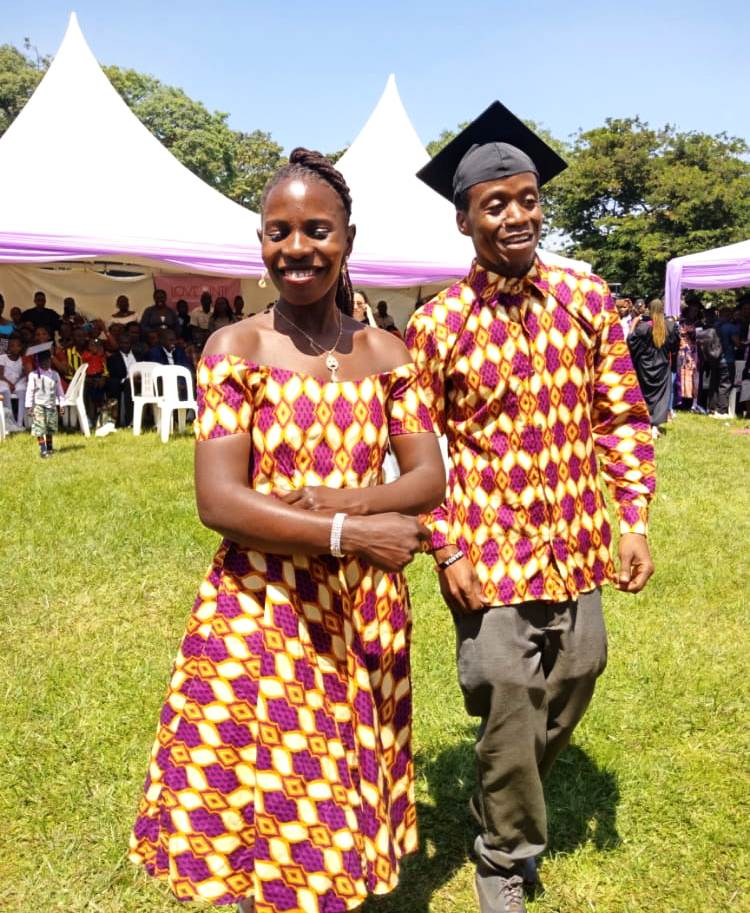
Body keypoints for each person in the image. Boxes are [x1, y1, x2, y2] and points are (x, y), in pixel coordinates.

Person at [129, 147, 445, 913]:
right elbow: (222, 501)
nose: (297, 248)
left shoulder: (386, 354)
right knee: (265, 791)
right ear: (262, 243)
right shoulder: (235, 349)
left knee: (340, 779)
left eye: (316, 230)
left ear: (348, 239)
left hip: (362, 612)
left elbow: (428, 477)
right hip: (263, 605)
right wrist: (351, 533)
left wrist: (343, 498)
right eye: (278, 231)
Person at [407, 101, 656, 913]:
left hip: (578, 538)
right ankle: (503, 857)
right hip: (489, 546)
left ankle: (502, 794)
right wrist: (446, 546)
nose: (517, 216)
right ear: (464, 219)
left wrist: (635, 517)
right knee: (507, 692)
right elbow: (420, 448)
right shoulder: (439, 324)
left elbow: (620, 412)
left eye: (527, 199)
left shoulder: (586, 299)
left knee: (581, 669)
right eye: (495, 204)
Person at [627, 298, 679, 435]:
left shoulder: (644, 327)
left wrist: (633, 324)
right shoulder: (669, 327)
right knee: (661, 397)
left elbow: (630, 342)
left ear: (649, 310)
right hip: (662, 366)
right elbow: (674, 347)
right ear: (662, 310)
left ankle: (645, 423)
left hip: (645, 367)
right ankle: (654, 426)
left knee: (645, 395)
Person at [24, 346, 64, 457]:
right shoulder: (33, 375)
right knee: (40, 427)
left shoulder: (54, 374)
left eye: (48, 361)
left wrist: (61, 404)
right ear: (38, 362)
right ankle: (43, 449)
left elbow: (59, 390)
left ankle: (50, 448)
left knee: (50, 427)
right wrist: (29, 406)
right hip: (39, 406)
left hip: (51, 405)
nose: (46, 364)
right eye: (43, 361)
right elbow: (30, 391)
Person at [107, 331, 137, 426]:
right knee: (126, 384)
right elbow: (114, 375)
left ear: (131, 344)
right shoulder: (113, 358)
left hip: (141, 382)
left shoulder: (138, 355)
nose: (125, 345)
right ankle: (129, 421)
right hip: (123, 383)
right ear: (119, 344)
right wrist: (127, 380)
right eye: (123, 343)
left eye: (127, 343)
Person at [0, 335, 28, 429]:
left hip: (17, 382)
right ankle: (11, 421)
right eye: (12, 345)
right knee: (5, 391)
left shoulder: (23, 359)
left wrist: (15, 384)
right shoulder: (3, 358)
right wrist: (10, 384)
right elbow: (0, 375)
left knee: (22, 391)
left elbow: (23, 374)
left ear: (21, 347)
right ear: (8, 347)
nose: (15, 348)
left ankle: (19, 423)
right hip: (4, 381)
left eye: (18, 345)